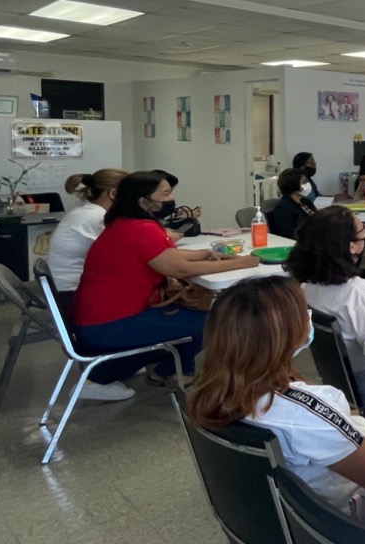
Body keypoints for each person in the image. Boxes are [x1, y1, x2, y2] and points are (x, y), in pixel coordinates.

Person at [187, 276, 365, 507]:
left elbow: (310, 428)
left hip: (279, 514)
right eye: (304, 312)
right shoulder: (305, 413)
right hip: (349, 510)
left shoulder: (210, 393)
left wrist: (364, 415)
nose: (309, 318)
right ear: (286, 336)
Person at [73, 171, 259, 400]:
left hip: (97, 318)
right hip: (110, 324)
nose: (171, 199)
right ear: (143, 201)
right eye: (166, 194)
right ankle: (103, 378)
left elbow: (162, 256)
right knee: (212, 322)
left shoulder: (125, 223)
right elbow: (180, 269)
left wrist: (204, 254)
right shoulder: (141, 228)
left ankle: (168, 373)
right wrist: (240, 263)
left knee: (194, 319)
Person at [284, 206, 365, 405]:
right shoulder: (358, 294)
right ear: (352, 246)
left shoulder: (306, 289)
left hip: (346, 384)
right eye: (363, 230)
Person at [45, 168, 130, 294]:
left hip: (61, 288)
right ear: (113, 194)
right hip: (71, 295)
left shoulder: (85, 211)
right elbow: (127, 253)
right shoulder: (98, 217)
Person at [266, 168, 318, 239]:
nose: (308, 184)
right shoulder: (283, 208)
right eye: (304, 182)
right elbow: (289, 235)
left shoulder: (305, 201)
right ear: (293, 185)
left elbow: (318, 219)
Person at [149, 168, 201, 237]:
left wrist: (178, 219)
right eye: (166, 194)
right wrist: (182, 219)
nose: (171, 198)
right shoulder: (141, 223)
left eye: (171, 193)